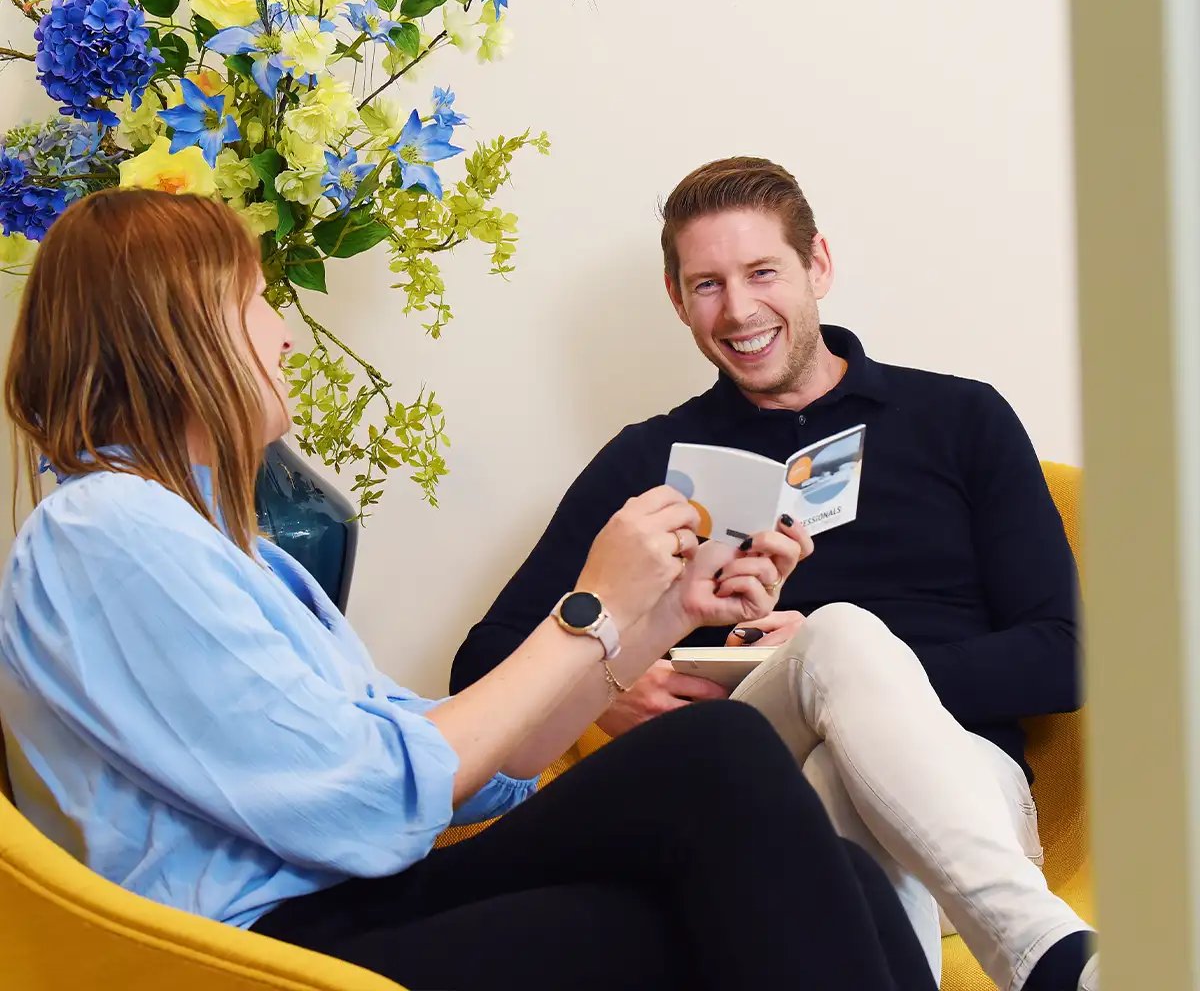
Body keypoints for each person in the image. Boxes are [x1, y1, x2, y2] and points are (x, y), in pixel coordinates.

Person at [0, 188, 939, 991]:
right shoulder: (108, 530)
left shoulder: (222, 543)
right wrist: (591, 611)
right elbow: (369, 798)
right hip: (260, 955)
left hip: (345, 905)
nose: (284, 334)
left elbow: (476, 765)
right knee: (723, 791)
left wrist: (663, 615)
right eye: (254, 300)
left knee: (826, 861)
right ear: (178, 336)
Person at [451, 157, 1100, 991]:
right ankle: (1053, 959)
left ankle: (1033, 948)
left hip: (964, 794)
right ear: (676, 298)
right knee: (819, 714)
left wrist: (853, 662)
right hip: (751, 783)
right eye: (708, 284)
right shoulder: (648, 459)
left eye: (762, 273)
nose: (740, 309)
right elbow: (482, 663)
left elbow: (1065, 654)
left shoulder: (961, 418)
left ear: (817, 265)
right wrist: (609, 685)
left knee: (838, 684)